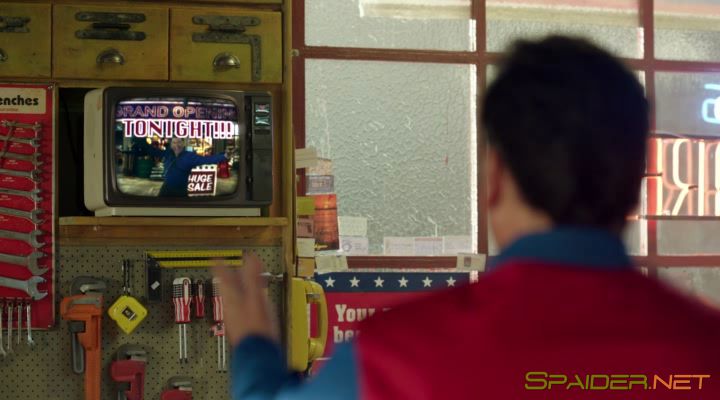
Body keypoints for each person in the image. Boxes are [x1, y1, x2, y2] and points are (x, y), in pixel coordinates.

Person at [214, 36, 720, 399]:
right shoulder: (705, 350)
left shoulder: (396, 356)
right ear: (637, 178)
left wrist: (255, 350)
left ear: (494, 175)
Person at [143, 137, 228, 197]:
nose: (177, 145)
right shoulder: (168, 153)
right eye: (174, 142)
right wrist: (141, 140)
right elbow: (153, 151)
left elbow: (206, 160)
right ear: (171, 144)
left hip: (181, 191)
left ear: (183, 144)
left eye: (179, 142)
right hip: (166, 189)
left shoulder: (189, 156)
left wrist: (224, 156)